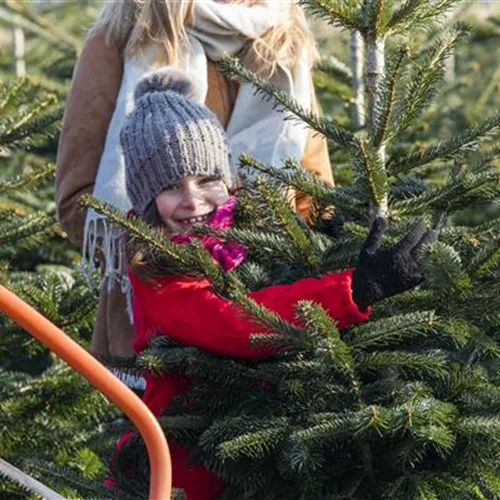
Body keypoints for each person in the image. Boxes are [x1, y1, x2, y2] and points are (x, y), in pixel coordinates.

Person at [109, 68, 434, 500]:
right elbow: (232, 324)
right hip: (189, 461)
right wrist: (353, 290)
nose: (193, 200)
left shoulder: (250, 224)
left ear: (225, 177)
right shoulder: (156, 263)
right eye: (170, 187)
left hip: (267, 452)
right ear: (147, 198)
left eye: (206, 180)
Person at [55, 0, 334, 359]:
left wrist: (269, 257)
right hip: (155, 338)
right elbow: (79, 199)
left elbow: (314, 192)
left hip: (272, 322)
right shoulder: (126, 34)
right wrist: (176, 264)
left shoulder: (284, 41)